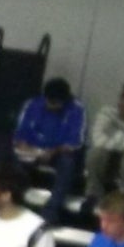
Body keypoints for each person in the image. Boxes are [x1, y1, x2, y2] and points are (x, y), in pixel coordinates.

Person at [14, 78, 91, 227]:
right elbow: (20, 134)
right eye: (49, 102)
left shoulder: (77, 109)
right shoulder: (32, 104)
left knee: (68, 163)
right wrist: (24, 146)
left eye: (56, 103)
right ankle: (16, 204)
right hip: (32, 150)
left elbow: (76, 142)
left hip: (59, 153)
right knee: (14, 159)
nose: (51, 106)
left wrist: (53, 151)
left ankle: (51, 211)